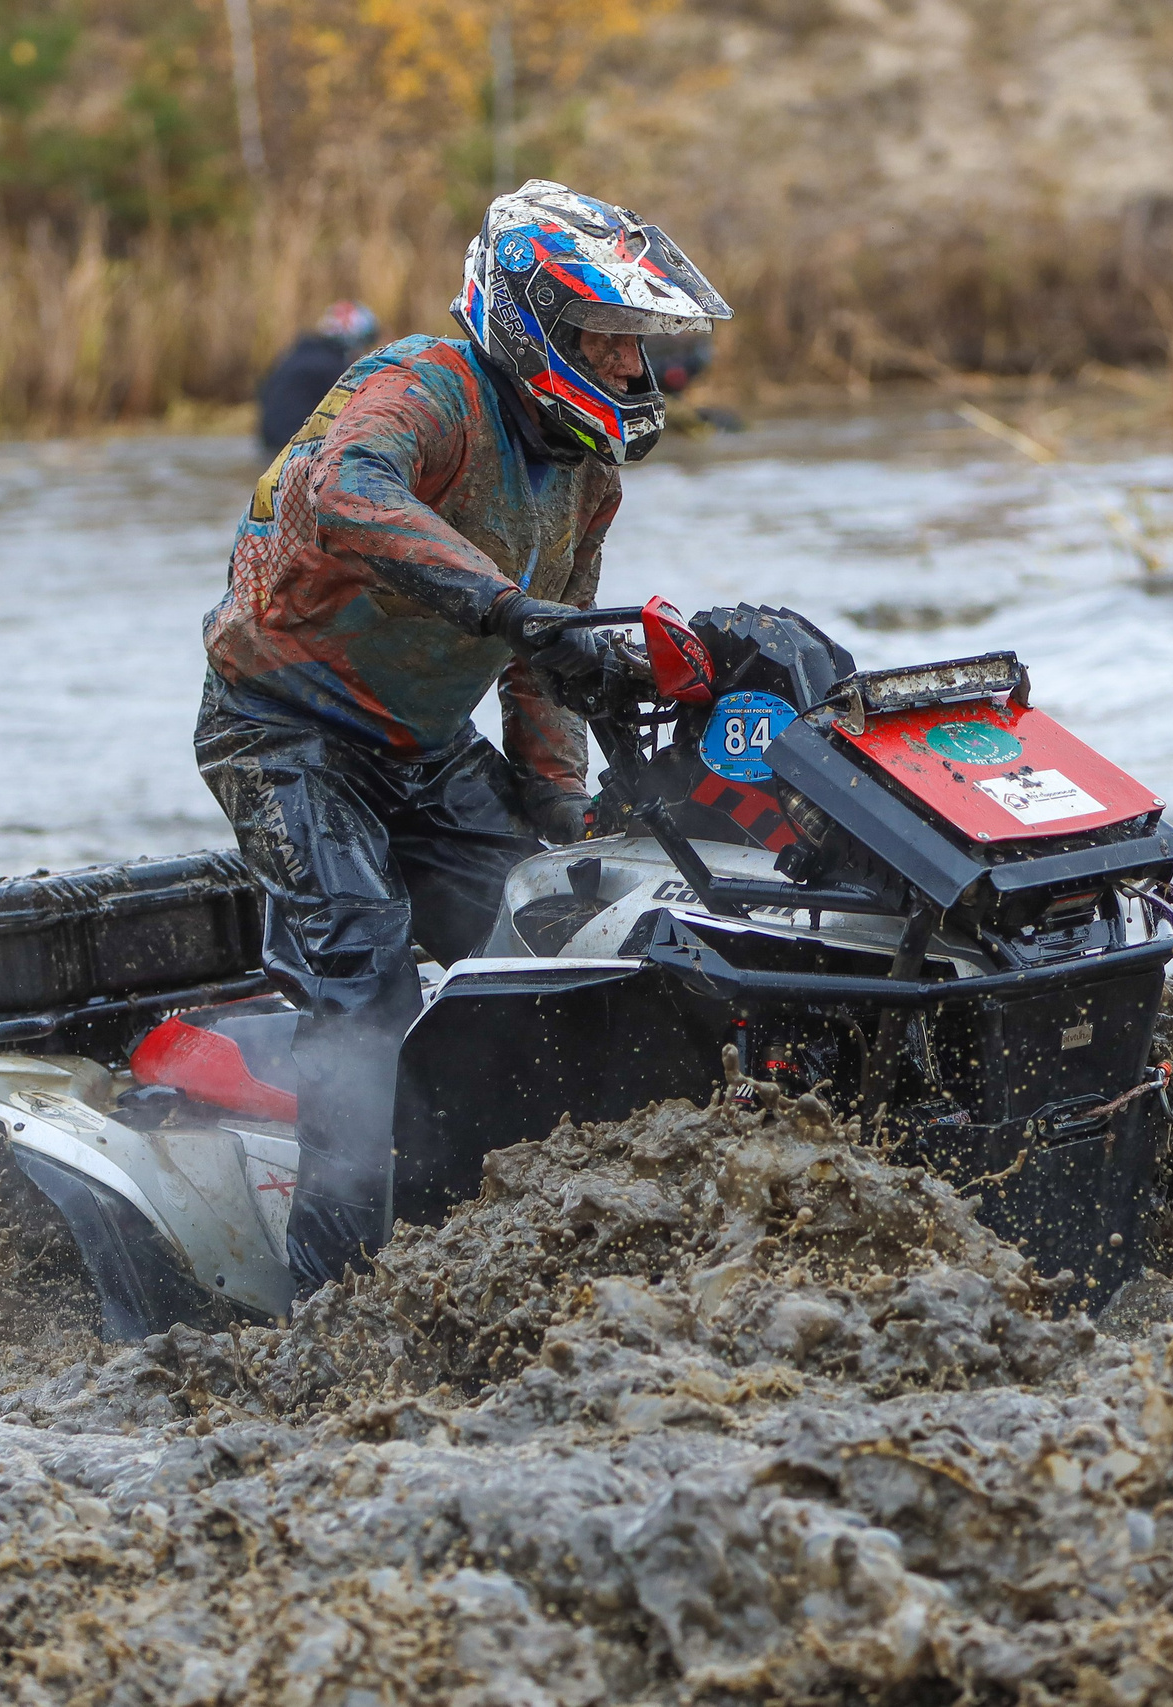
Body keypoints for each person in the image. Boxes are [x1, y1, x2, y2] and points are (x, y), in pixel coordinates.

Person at [195, 180, 730, 1297]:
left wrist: (556, 810)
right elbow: (342, 484)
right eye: (609, 342)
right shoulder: (424, 383)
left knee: (555, 939)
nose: (633, 370)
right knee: (365, 974)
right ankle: (333, 1293)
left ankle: (504, 1213)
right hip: (283, 731)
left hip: (424, 748)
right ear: (534, 324)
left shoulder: (584, 479)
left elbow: (553, 657)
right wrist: (504, 607)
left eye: (638, 348)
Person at [256, 300, 381, 454]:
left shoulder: (292, 357)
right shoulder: (333, 368)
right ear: (353, 340)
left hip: (270, 447)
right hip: (297, 450)